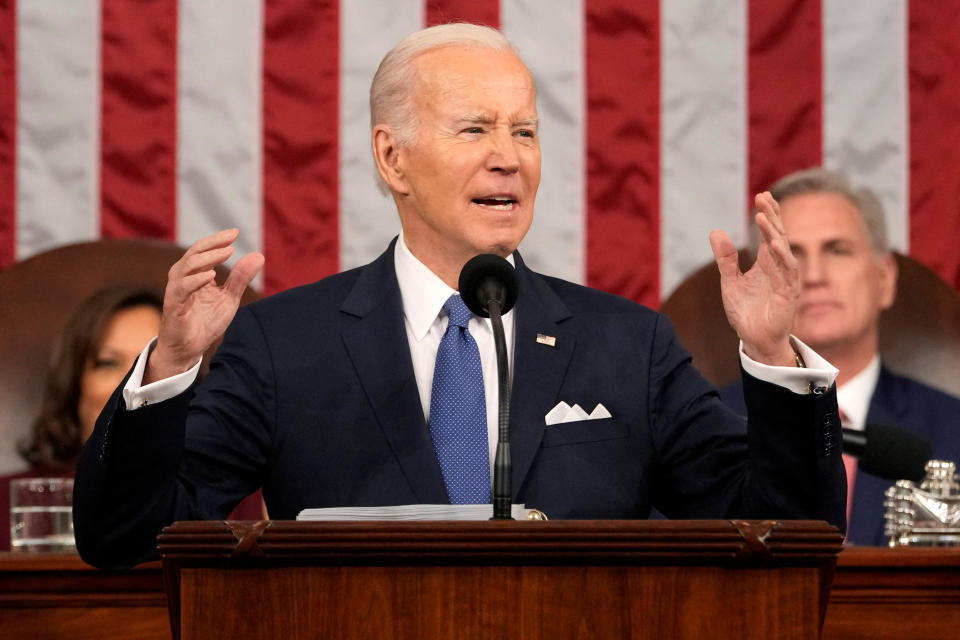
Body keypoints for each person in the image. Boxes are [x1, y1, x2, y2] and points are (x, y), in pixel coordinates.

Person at [74, 23, 845, 570]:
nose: (508, 159)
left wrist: (773, 356)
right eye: (475, 129)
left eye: (526, 132)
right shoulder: (286, 345)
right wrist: (173, 362)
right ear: (393, 158)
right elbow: (125, 538)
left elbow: (788, 536)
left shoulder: (626, 344)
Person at [720, 167, 960, 545]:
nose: (813, 275)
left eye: (837, 250)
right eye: (791, 252)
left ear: (884, 279)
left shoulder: (952, 428)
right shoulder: (708, 427)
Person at [0, 286, 162, 550]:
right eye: (108, 364)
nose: (129, 384)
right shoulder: (6, 502)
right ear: (74, 384)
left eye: (152, 363)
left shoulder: (234, 499)